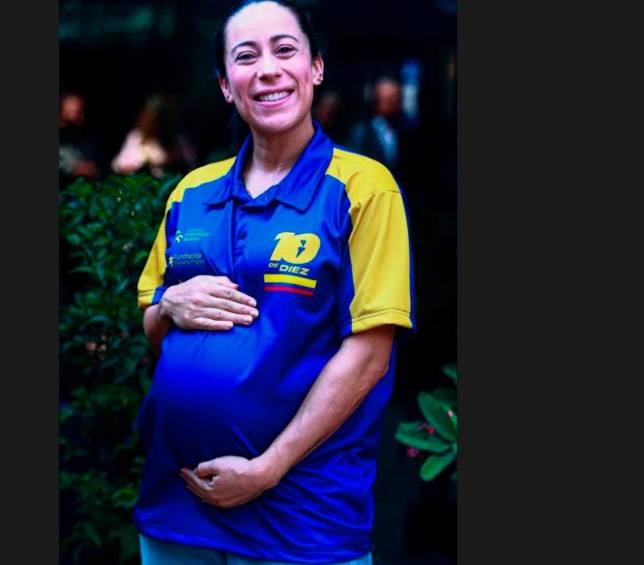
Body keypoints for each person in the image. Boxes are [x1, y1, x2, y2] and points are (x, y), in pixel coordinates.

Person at [135, 1, 415, 564]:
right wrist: (170, 306)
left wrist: (265, 470)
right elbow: (150, 319)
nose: (267, 69)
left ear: (315, 68)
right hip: (176, 507)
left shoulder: (363, 187)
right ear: (225, 85)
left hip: (302, 520)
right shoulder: (191, 191)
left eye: (285, 50)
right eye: (246, 56)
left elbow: (369, 356)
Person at [110, 94, 197, 178]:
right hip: (140, 184)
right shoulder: (135, 137)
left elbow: (190, 164)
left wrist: (169, 163)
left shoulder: (177, 140)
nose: (152, 124)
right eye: (150, 120)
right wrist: (140, 164)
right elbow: (117, 165)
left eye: (158, 121)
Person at [347, 76, 411, 179]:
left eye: (398, 98)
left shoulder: (405, 129)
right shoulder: (362, 131)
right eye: (390, 99)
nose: (395, 103)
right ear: (376, 100)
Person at [58, 92, 100, 185]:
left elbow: (95, 168)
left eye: (78, 112)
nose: (74, 117)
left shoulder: (84, 139)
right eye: (70, 112)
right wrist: (70, 172)